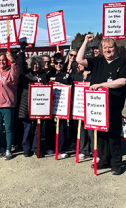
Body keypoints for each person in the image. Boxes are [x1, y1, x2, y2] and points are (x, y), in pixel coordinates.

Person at [76, 35, 126, 175]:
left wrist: (102, 85)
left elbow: (122, 81)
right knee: (100, 135)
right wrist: (86, 41)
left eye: (110, 47)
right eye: (105, 47)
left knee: (113, 135)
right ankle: (103, 160)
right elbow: (79, 59)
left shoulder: (122, 62)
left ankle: (116, 164)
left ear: (115, 48)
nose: (108, 50)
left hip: (114, 105)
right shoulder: (97, 61)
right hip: (97, 106)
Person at [16, 46, 47, 157]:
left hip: (39, 105)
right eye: (33, 63)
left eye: (38, 64)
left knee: (38, 128)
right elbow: (20, 65)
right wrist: (22, 52)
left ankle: (36, 147)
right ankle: (26, 148)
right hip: (26, 105)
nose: (35, 66)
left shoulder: (43, 75)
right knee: (27, 128)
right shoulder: (25, 74)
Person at [0, 52, 19, 160]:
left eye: (3, 60)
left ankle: (8, 149)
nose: (1, 62)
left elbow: (15, 72)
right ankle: (2, 147)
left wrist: (12, 60)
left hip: (8, 105)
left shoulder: (10, 73)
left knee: (8, 128)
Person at [47, 53, 72, 158]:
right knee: (50, 126)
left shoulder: (65, 72)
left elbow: (66, 80)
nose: (59, 65)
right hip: (51, 103)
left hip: (62, 104)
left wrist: (55, 79)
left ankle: (61, 149)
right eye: (56, 63)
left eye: (61, 63)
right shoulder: (51, 72)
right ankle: (52, 147)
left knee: (62, 126)